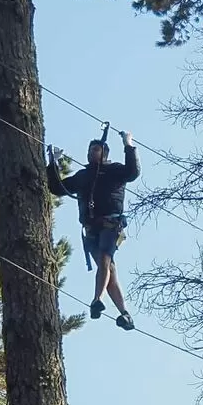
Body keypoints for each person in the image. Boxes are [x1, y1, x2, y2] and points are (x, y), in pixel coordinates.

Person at [47, 130, 140, 331]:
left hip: (111, 223)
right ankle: (125, 314)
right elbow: (58, 188)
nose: (91, 153)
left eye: (96, 149)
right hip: (91, 229)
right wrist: (53, 162)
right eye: (89, 150)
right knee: (109, 271)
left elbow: (132, 172)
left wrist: (128, 144)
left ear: (104, 153)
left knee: (105, 262)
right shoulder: (83, 176)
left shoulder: (114, 170)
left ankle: (97, 299)